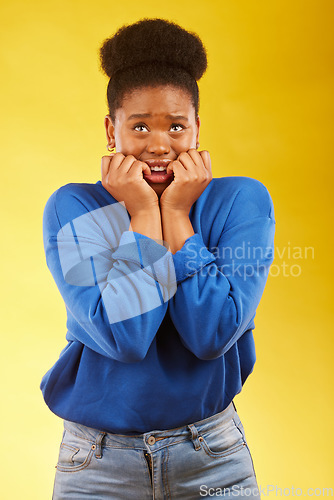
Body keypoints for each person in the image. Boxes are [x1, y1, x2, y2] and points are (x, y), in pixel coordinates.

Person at [41, 18, 275, 499]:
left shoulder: (241, 201)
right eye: (140, 125)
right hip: (96, 464)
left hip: (212, 457)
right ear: (112, 129)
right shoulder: (73, 206)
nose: (159, 145)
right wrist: (147, 214)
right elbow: (124, 337)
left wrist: (180, 218)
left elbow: (211, 335)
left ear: (197, 129)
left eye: (176, 126)